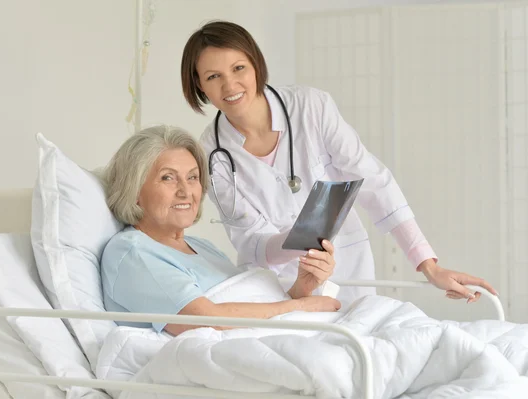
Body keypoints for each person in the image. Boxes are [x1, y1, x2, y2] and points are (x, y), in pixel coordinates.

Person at [180, 20, 497, 306]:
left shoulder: (311, 108)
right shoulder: (210, 155)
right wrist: (302, 246)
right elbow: (253, 243)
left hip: (348, 270)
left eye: (239, 68)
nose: (230, 85)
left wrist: (428, 265)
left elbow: (373, 181)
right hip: (277, 289)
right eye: (213, 76)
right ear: (199, 85)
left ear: (255, 65)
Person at [100, 125, 340, 336]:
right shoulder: (131, 252)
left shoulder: (203, 247)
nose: (186, 191)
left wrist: (302, 288)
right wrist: (297, 307)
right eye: (168, 178)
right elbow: (204, 322)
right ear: (134, 190)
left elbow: (254, 310)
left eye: (192, 177)